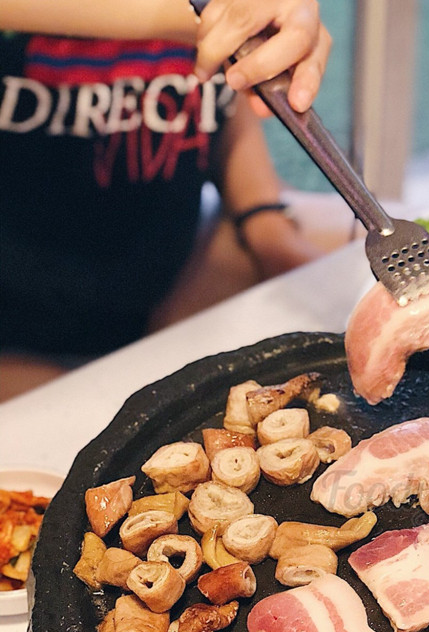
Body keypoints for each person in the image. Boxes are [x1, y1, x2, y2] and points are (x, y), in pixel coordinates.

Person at [0, 0, 332, 391]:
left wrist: (266, 224)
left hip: (165, 290)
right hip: (16, 338)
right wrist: (223, 18)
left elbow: (224, 100)